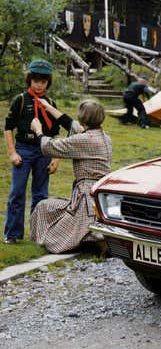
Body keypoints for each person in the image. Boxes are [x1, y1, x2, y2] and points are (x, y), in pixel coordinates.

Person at [29, 99, 112, 253]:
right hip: (99, 196)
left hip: (86, 201)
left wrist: (38, 131)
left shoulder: (84, 140)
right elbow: (72, 125)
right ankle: (94, 240)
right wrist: (49, 108)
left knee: (43, 207)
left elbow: (50, 147)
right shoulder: (104, 136)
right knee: (51, 207)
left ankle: (93, 240)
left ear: (82, 118)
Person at [3, 59, 61, 245]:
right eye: (35, 80)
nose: (38, 85)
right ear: (29, 80)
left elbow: (56, 134)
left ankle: (38, 233)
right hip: (23, 150)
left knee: (41, 195)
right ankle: (12, 234)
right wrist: (12, 153)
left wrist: (56, 158)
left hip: (43, 152)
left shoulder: (51, 103)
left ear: (48, 82)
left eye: (43, 81)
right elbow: (8, 128)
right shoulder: (19, 100)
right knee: (17, 192)